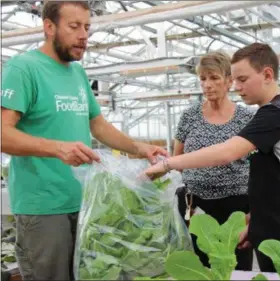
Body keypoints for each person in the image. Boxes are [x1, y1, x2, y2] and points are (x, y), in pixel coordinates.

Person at [1, 1, 167, 280]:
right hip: (43, 208)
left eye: (87, 27)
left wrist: (139, 148)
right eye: (74, 26)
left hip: (86, 201)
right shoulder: (24, 68)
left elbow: (97, 124)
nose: (83, 35)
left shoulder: (77, 72)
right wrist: (57, 148)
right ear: (49, 27)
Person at [144, 43, 280, 271]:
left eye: (242, 79)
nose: (237, 87)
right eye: (235, 80)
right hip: (270, 225)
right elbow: (267, 180)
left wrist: (167, 164)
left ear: (267, 74)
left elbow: (227, 152)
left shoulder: (277, 113)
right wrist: (257, 221)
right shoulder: (266, 114)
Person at [173, 51, 255, 270]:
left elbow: (260, 168)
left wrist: (253, 212)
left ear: (229, 81)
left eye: (214, 78)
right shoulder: (189, 116)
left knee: (236, 266)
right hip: (196, 204)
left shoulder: (247, 118)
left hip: (236, 206)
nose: (207, 85)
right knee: (199, 267)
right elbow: (177, 159)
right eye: (203, 78)